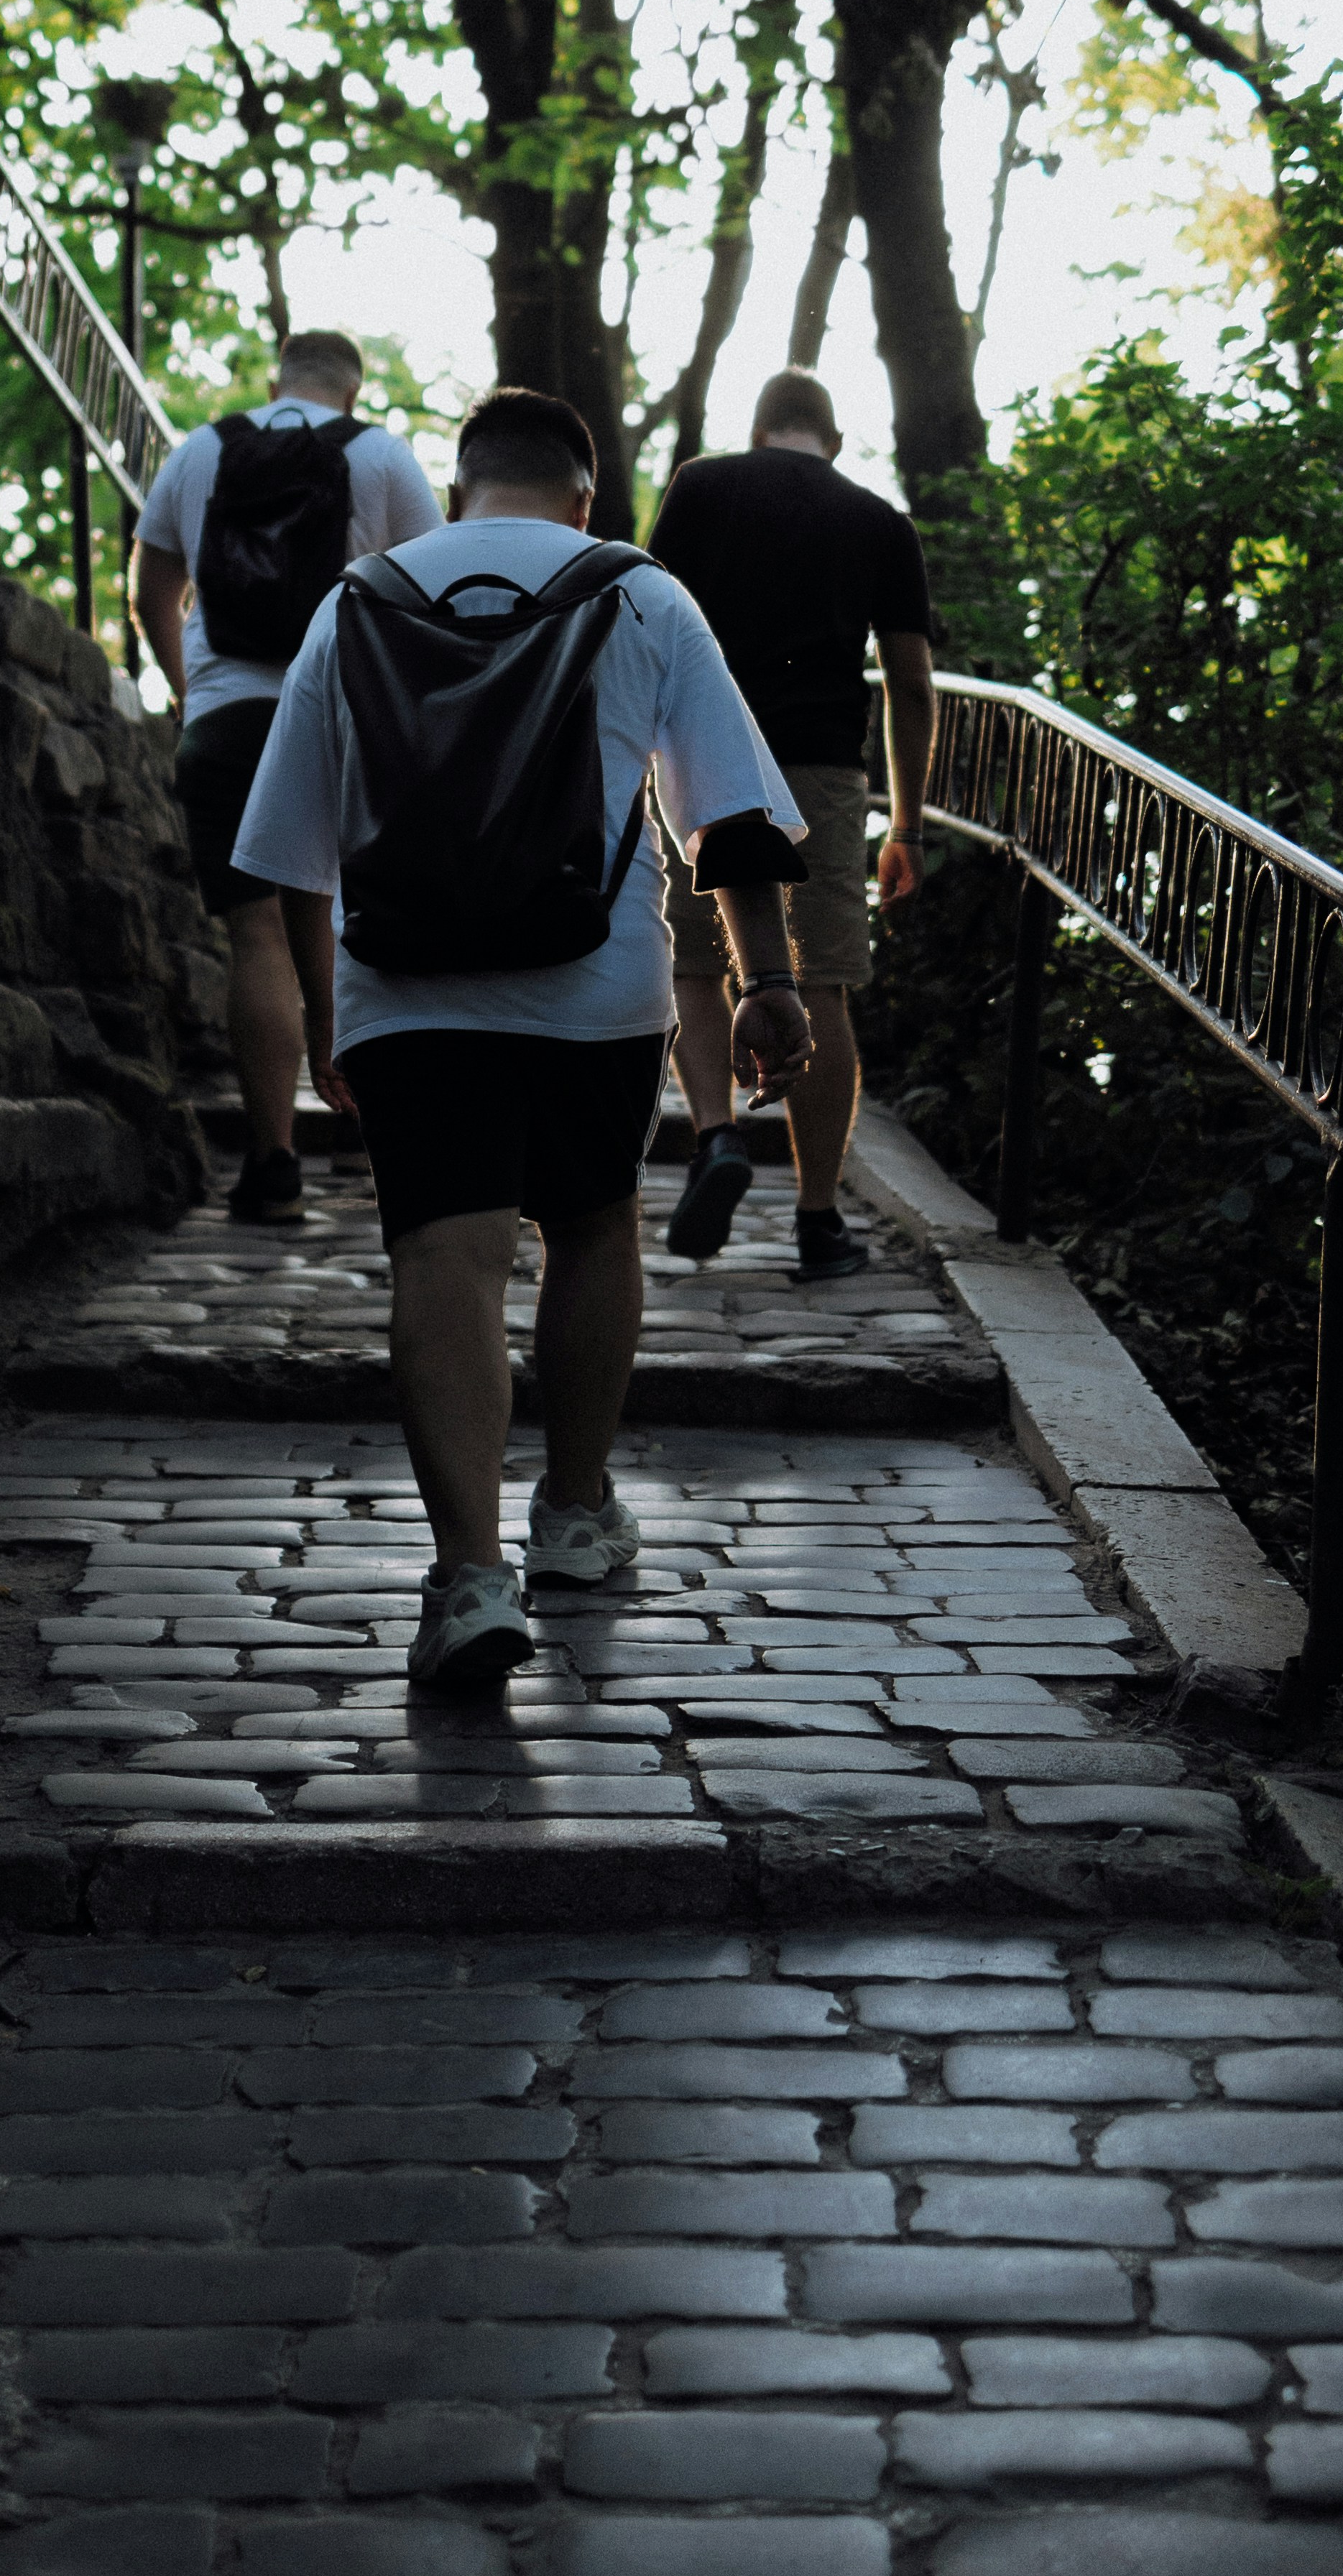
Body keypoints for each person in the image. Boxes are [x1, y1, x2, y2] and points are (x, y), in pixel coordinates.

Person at [232, 384, 811, 1696]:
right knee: (593, 1224)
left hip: (406, 989)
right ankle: (573, 1513)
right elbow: (730, 817)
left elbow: (289, 854)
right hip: (596, 987)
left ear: (458, 482)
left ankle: (471, 1576)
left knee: (445, 1252)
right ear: (583, 497)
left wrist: (335, 1025)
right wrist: (768, 978)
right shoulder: (641, 592)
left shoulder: (358, 601)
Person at [131, 326, 440, 1229]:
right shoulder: (379, 455)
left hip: (225, 721)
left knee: (255, 938)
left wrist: (190, 693)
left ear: (279, 377)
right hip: (340, 715)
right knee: (355, 924)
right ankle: (382, 1143)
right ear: (351, 386)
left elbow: (151, 587)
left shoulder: (199, 451)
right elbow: (432, 594)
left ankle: (271, 1166)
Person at [645, 364, 938, 1281]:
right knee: (823, 984)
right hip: (821, 770)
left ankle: (716, 1139)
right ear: (834, 439)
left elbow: (648, 621)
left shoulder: (701, 484)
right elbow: (910, 682)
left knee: (696, 962)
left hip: (702, 750)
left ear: (758, 426)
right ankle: (817, 1221)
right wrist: (907, 826)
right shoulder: (876, 519)